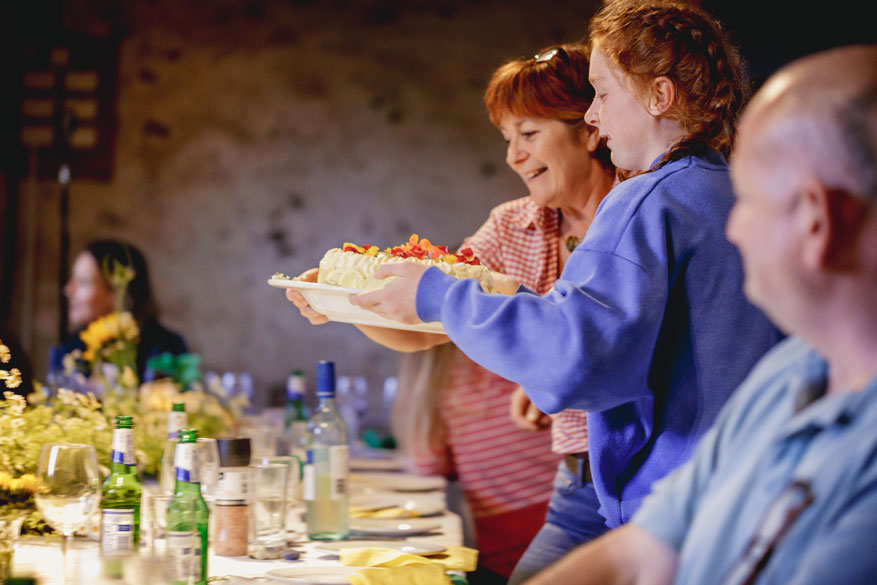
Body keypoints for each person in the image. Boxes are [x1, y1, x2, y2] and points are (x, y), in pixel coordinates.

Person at [349, 0, 782, 558]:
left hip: (669, 510)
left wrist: (434, 292)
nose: (594, 117)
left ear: (660, 96)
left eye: (601, 94)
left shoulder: (644, 201)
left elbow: (579, 360)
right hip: (740, 501)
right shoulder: (733, 194)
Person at [525, 43, 877, 585]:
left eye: (751, 199)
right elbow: (638, 552)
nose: (734, 227)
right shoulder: (787, 379)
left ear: (817, 221)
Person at [291, 43, 616, 582]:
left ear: (590, 128)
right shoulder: (514, 226)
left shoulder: (639, 215)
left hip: (647, 473)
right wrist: (342, 303)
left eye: (529, 134)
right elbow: (424, 329)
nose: (513, 156)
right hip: (579, 476)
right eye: (507, 139)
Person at [58, 239, 187, 381]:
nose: (68, 290)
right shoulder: (72, 349)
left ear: (117, 291)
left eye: (83, 283)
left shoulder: (164, 348)